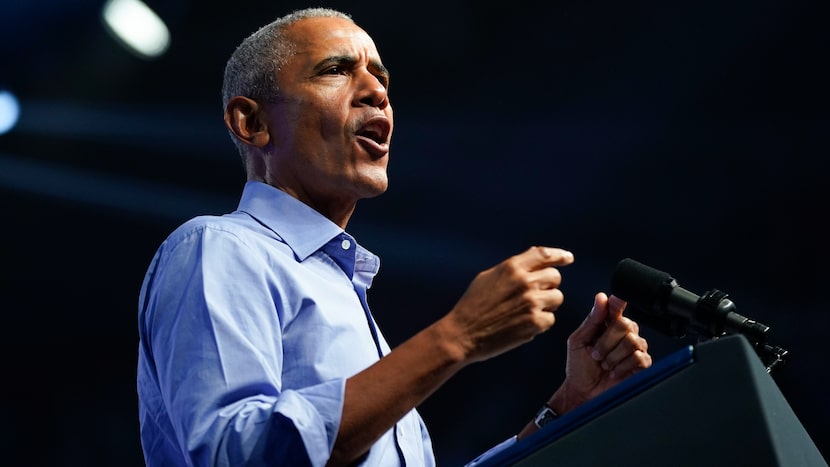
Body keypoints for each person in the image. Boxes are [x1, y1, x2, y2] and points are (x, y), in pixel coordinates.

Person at [136, 7, 653, 467]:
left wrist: (562, 410)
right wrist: (458, 336)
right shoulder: (219, 248)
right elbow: (238, 455)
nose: (377, 91)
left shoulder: (344, 292)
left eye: (380, 75)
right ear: (252, 122)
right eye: (336, 70)